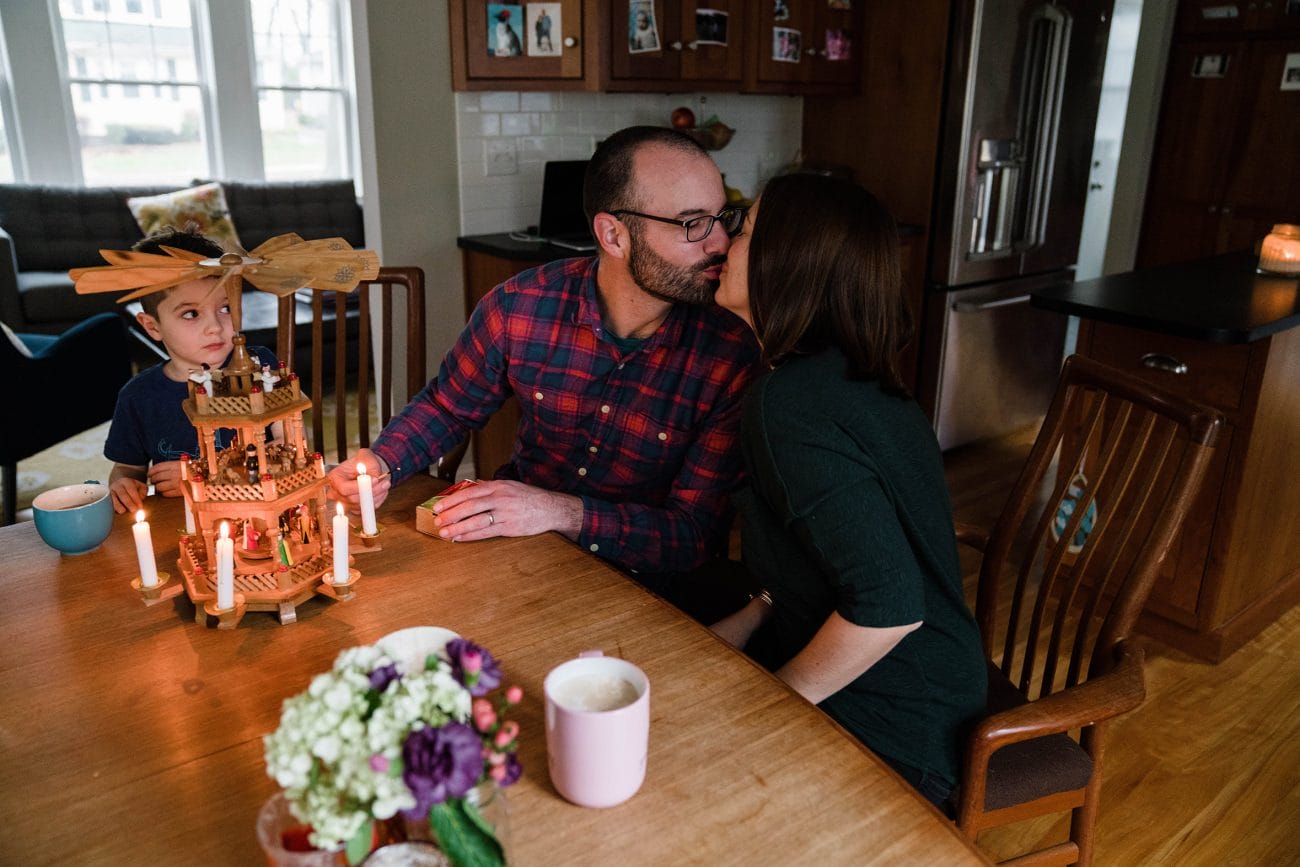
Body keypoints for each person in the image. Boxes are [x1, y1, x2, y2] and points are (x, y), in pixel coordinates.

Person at [329, 127, 760, 617]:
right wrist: (382, 463)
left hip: (647, 589)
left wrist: (555, 511)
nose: (721, 242)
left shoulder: (730, 354)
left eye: (722, 217)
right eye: (692, 224)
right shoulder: (521, 305)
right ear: (613, 235)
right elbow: (449, 405)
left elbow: (692, 536)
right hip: (516, 552)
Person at [709, 173, 986, 814]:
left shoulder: (790, 404)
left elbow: (889, 603)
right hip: (930, 693)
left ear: (791, 263)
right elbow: (829, 555)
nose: (725, 239)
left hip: (897, 733)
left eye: (744, 229)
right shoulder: (853, 380)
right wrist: (754, 614)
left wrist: (770, 703)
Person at [105, 227, 278, 514]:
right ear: (152, 326)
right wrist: (123, 484)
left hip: (258, 515)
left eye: (225, 308)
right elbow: (126, 469)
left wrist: (206, 474)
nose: (215, 326)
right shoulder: (138, 397)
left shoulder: (260, 367)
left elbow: (295, 450)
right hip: (179, 526)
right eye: (191, 313)